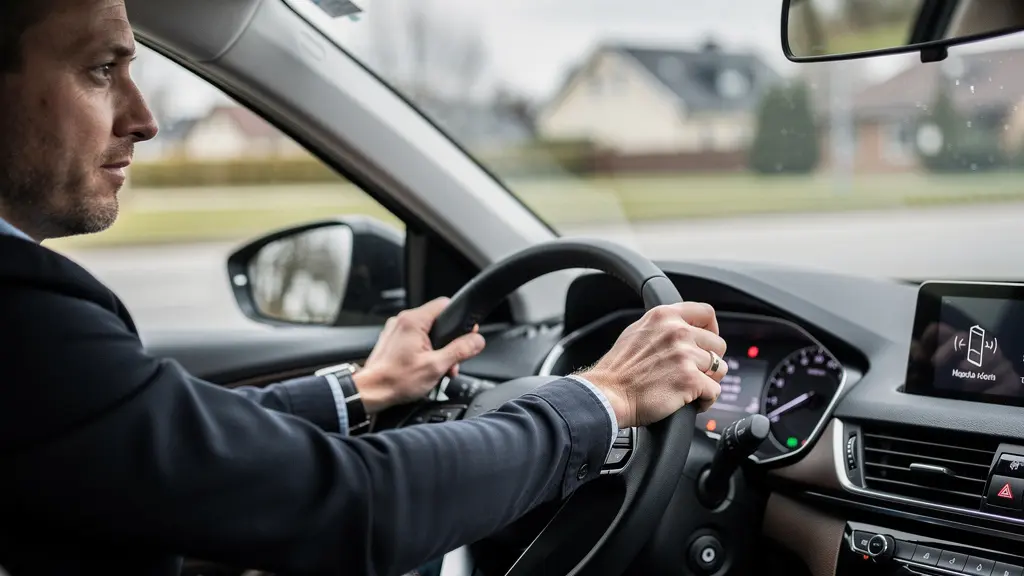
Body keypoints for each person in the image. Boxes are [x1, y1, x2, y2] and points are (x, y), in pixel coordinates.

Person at [0, 1, 729, 575]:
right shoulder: (22, 314)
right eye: (102, 68)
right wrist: (606, 397)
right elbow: (358, 506)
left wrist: (369, 387)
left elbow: (170, 437)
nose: (145, 118)